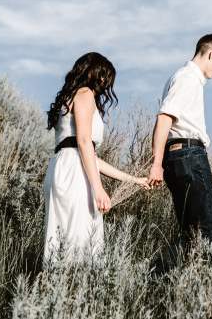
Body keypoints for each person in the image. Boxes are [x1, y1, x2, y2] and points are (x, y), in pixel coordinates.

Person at [43, 52, 150, 265]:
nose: (105, 82)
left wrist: (134, 180)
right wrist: (99, 189)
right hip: (74, 174)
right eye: (104, 76)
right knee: (80, 242)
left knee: (60, 241)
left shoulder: (69, 96)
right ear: (94, 73)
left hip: (62, 167)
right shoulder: (85, 94)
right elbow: (84, 142)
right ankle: (74, 291)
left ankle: (58, 291)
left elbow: (88, 155)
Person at [148, 34, 212, 253]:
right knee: (205, 232)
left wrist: (158, 160)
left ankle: (169, 282)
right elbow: (164, 118)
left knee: (190, 234)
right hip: (189, 157)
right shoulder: (187, 78)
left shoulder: (182, 78)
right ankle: (198, 283)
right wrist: (156, 163)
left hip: (178, 157)